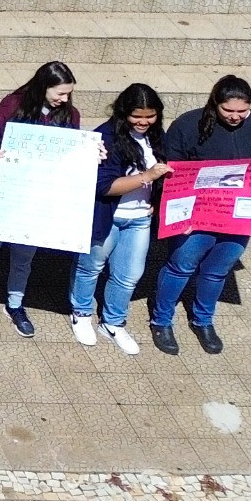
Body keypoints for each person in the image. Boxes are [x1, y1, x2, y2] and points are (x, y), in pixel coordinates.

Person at [150, 75, 251, 356]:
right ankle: (161, 320)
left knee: (217, 271)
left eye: (243, 111)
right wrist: (173, 215)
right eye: (228, 111)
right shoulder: (187, 125)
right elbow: (168, 173)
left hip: (237, 217)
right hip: (196, 216)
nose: (235, 117)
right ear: (214, 104)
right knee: (181, 266)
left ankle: (203, 320)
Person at [0, 60, 83, 337]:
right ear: (44, 86)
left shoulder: (70, 115)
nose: (64, 99)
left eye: (68, 94)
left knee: (24, 252)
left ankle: (15, 302)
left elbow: (72, 150)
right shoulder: (13, 104)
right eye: (60, 93)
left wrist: (91, 155)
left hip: (39, 194)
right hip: (7, 189)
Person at [74, 84, 169, 354]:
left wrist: (155, 200)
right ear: (123, 112)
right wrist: (146, 177)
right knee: (90, 267)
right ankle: (81, 313)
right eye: (137, 116)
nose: (143, 122)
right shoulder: (105, 137)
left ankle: (113, 322)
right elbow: (104, 186)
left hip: (139, 218)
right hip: (108, 215)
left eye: (150, 116)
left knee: (129, 276)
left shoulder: (157, 137)